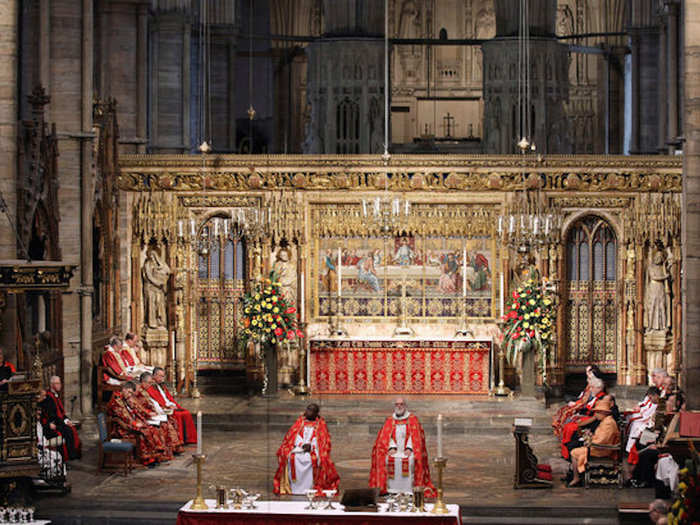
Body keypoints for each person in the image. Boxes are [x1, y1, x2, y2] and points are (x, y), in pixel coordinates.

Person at [369, 398, 436, 496]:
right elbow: (386, 436)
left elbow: (415, 437)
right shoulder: (390, 420)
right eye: (397, 404)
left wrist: (409, 448)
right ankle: (390, 489)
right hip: (394, 451)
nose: (399, 406)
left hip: (409, 451)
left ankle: (410, 490)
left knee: (412, 460)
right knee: (385, 459)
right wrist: (391, 447)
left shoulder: (413, 419)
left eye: (401, 404)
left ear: (405, 406)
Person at [273, 403, 339, 495]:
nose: (308, 412)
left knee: (312, 459)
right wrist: (301, 444)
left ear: (316, 413)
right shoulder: (300, 422)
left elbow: (323, 441)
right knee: (291, 457)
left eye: (312, 410)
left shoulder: (321, 425)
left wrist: (311, 446)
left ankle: (310, 487)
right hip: (298, 448)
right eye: (308, 409)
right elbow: (293, 436)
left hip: (313, 450)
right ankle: (294, 487)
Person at [106, 382, 170, 467]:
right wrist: (135, 424)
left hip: (128, 423)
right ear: (123, 390)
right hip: (120, 428)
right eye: (128, 392)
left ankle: (153, 457)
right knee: (143, 433)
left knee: (151, 429)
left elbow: (134, 410)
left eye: (131, 393)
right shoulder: (116, 400)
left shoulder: (126, 398)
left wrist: (142, 422)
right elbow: (123, 415)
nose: (129, 395)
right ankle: (146, 459)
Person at [567, 399, 620, 487]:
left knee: (574, 452)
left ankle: (576, 477)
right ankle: (577, 475)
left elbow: (602, 441)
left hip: (602, 449)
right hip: (599, 447)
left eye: (597, 413)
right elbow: (600, 437)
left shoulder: (608, 423)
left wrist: (589, 441)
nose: (595, 415)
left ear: (603, 413)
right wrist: (590, 437)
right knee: (574, 448)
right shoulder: (606, 421)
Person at [135, 372, 183, 455]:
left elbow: (152, 404)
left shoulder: (145, 391)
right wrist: (151, 413)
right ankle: (163, 452)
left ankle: (173, 448)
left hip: (151, 415)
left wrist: (158, 411)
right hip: (143, 417)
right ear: (143, 382)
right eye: (149, 383)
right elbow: (139, 407)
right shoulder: (139, 392)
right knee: (164, 425)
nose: (150, 385)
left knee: (170, 420)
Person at [560, 376, 607, 459]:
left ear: (599, 388)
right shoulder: (597, 396)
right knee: (568, 421)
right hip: (590, 418)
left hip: (593, 424)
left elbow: (595, 416)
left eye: (592, 387)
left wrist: (580, 422)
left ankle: (569, 453)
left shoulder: (602, 399)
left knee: (571, 427)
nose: (591, 389)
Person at [552, 365, 603, 438]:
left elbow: (590, 401)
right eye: (587, 372)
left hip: (585, 406)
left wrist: (576, 405)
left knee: (566, 412)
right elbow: (584, 395)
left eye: (589, 372)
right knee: (565, 404)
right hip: (582, 401)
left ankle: (563, 433)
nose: (587, 373)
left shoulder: (597, 384)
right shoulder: (590, 382)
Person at [39, 376, 81, 460]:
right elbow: (52, 415)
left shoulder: (55, 395)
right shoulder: (48, 398)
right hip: (52, 424)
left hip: (58, 421)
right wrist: (64, 422)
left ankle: (73, 454)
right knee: (68, 430)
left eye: (59, 383)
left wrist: (66, 420)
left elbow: (61, 412)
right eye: (57, 383)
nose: (60, 385)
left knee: (72, 428)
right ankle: (69, 456)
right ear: (52, 385)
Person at [626, 386, 660, 453]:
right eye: (649, 397)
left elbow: (651, 416)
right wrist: (638, 407)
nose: (650, 399)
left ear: (656, 395)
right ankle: (629, 449)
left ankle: (630, 449)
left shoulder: (658, 404)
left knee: (636, 426)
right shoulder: (649, 400)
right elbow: (643, 405)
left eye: (651, 397)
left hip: (648, 421)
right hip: (643, 419)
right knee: (631, 421)